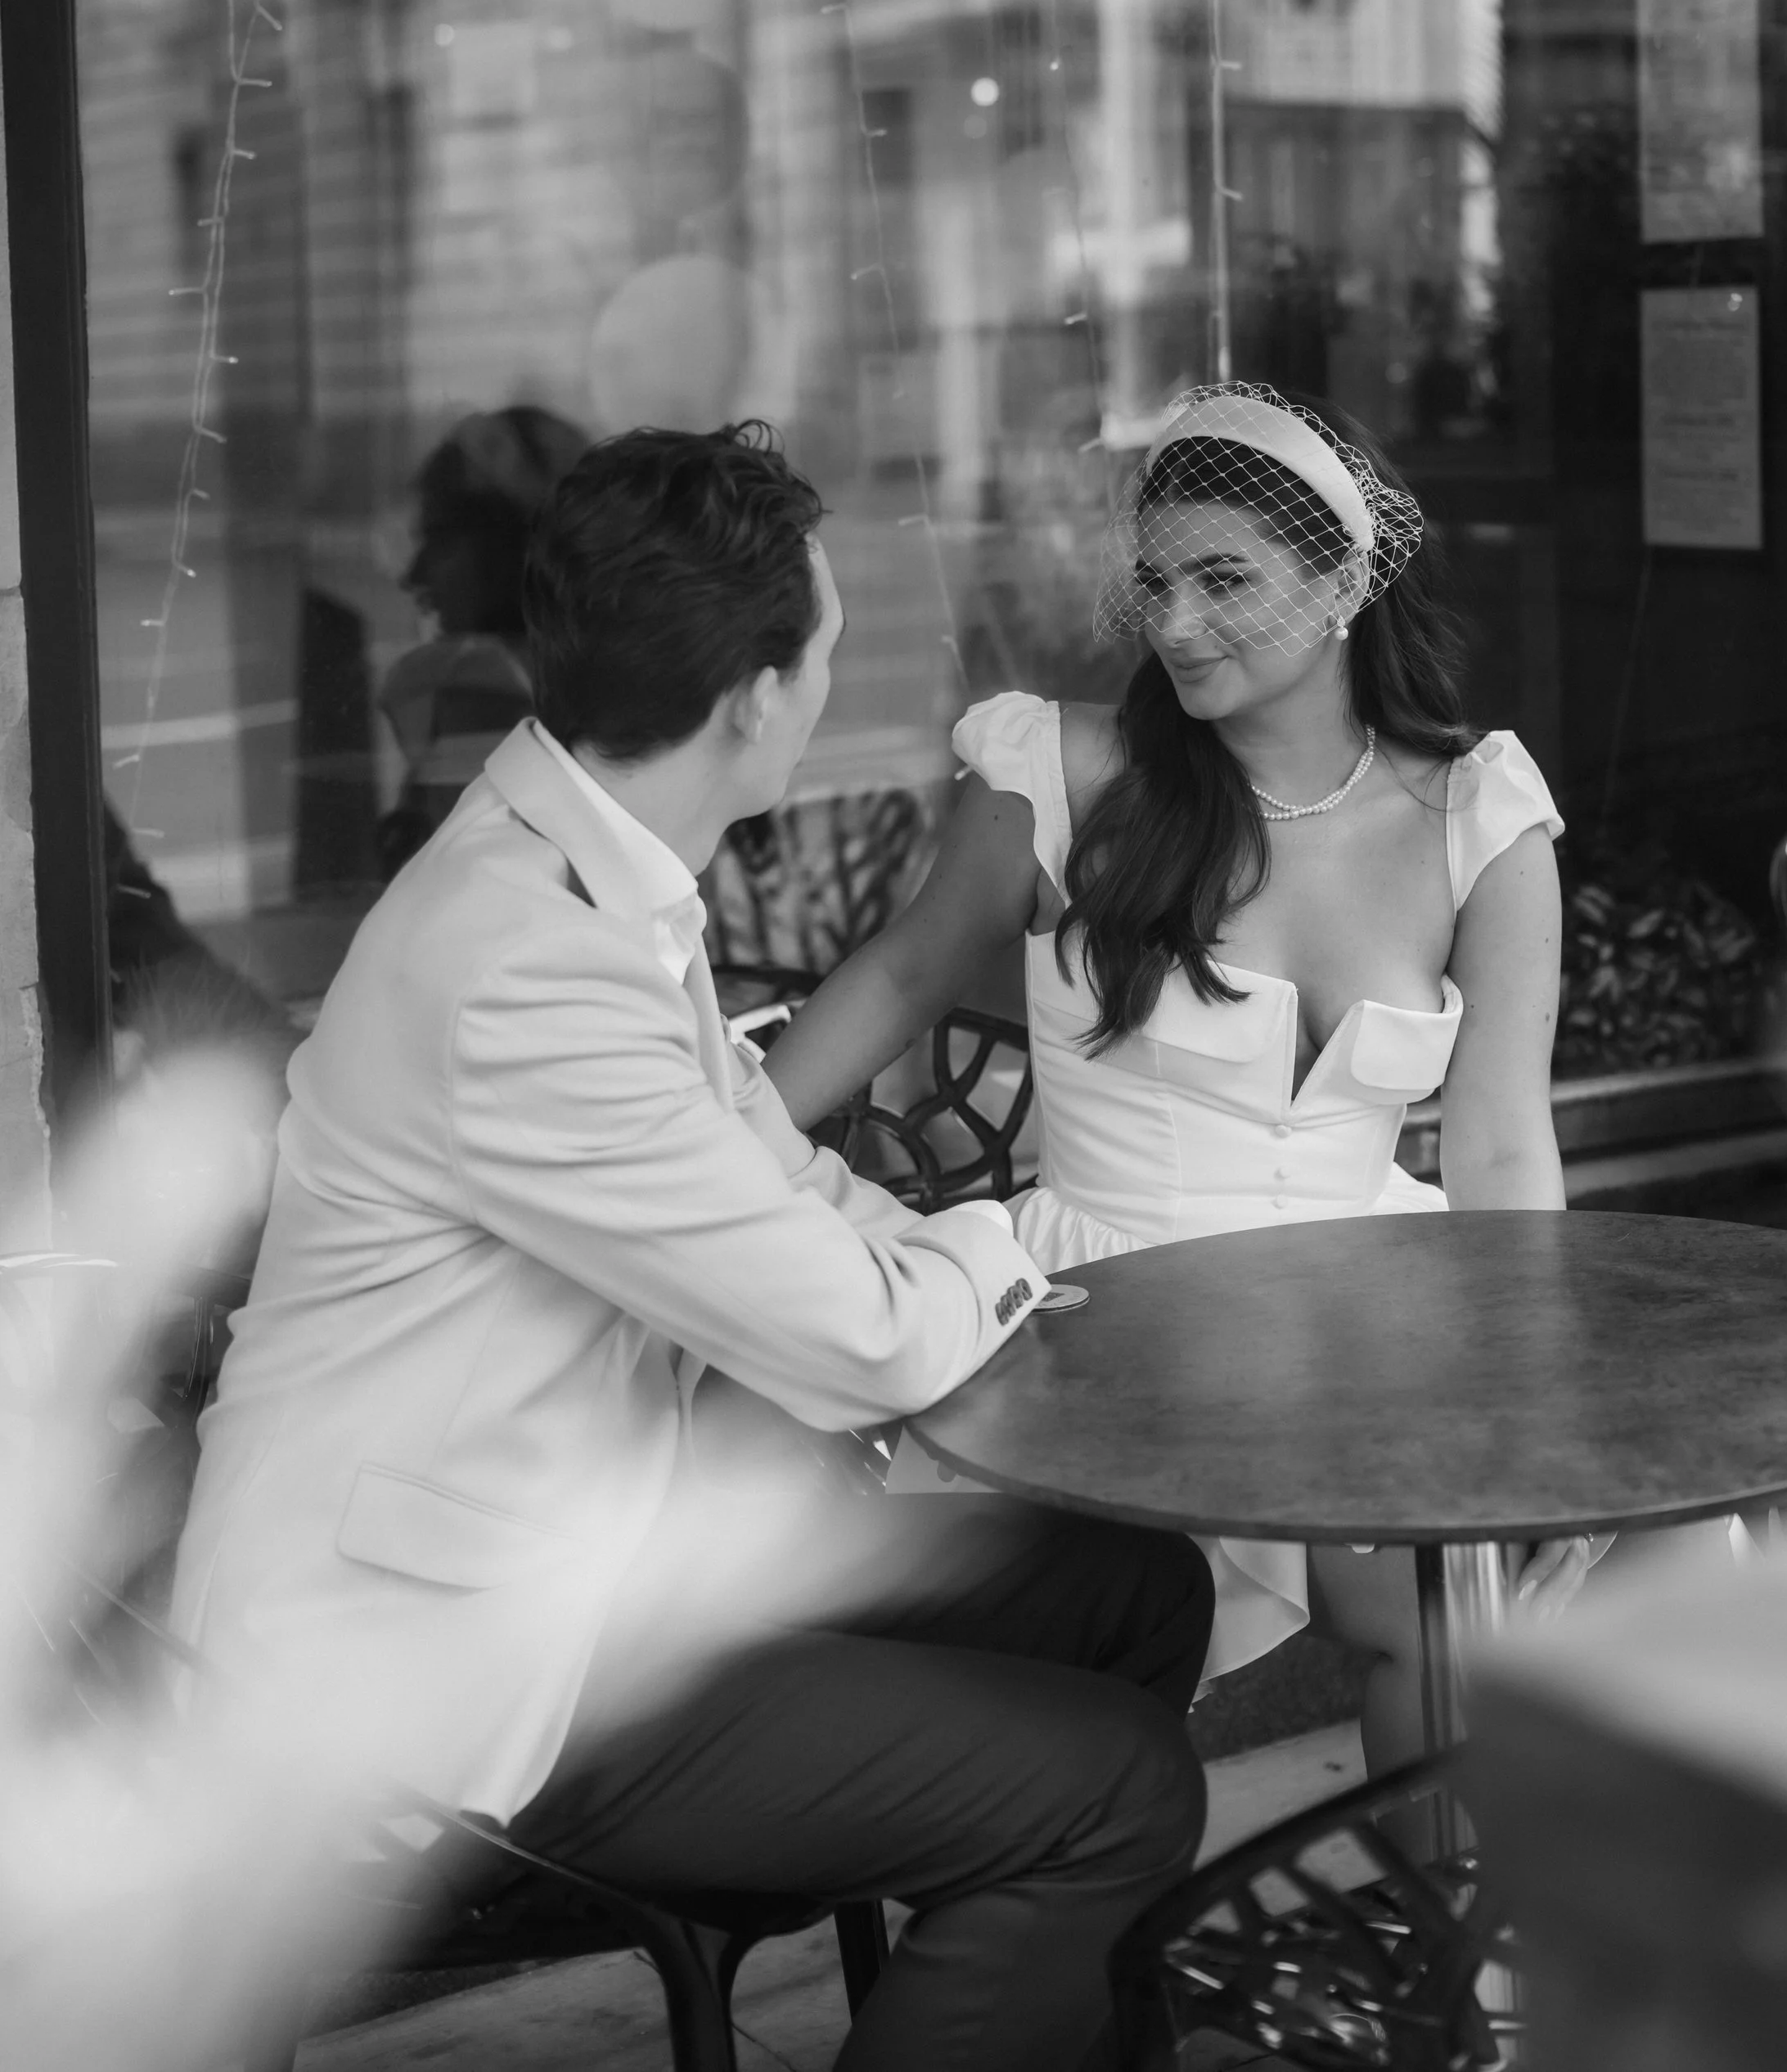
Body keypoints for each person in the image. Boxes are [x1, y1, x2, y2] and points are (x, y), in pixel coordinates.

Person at [172, 424, 1212, 2072]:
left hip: (589, 1568)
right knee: (1115, 1788)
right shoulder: (524, 960)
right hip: (450, 1666)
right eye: (824, 651)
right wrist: (997, 1254)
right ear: (754, 698)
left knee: (1129, 1593)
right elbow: (860, 1342)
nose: (828, 684)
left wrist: (954, 1274)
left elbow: (767, 1175)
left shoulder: (584, 870)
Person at [768, 380, 1590, 1775]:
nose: (1178, 622)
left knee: (1463, 1623)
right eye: (1156, 582)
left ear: (1345, 584)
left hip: (1366, 1315)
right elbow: (902, 976)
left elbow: (1504, 1145)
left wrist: (1546, 1403)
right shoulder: (1065, 773)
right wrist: (710, 1144)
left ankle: (1444, 1915)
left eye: (1226, 580)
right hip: (1106, 1311)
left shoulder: (1480, 817)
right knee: (1084, 1700)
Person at [376, 403, 589, 876]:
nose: (416, 574)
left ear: (513, 543)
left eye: (440, 538)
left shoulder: (486, 687)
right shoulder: (630, 700)